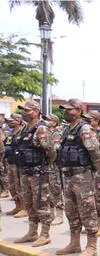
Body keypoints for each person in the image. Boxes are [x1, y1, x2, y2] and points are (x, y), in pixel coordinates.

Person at [54, 99, 100, 256]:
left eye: (70, 109)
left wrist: (94, 170)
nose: (66, 112)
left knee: (88, 210)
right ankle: (74, 243)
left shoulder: (85, 129)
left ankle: (91, 246)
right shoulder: (66, 130)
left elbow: (95, 152)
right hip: (68, 176)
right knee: (71, 211)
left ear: (78, 110)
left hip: (83, 176)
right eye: (65, 109)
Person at [14, 101, 57, 247]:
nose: (25, 113)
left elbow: (50, 151)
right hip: (25, 171)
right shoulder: (25, 128)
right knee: (29, 202)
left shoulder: (41, 128)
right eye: (24, 110)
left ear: (37, 111)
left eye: (28, 110)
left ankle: (45, 234)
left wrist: (45, 165)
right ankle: (32, 232)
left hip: (38, 172)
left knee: (41, 203)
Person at [44, 114, 64, 226]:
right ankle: (50, 213)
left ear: (55, 122)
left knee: (55, 188)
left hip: (54, 164)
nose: (47, 121)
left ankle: (59, 214)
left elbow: (55, 148)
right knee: (47, 189)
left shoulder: (57, 133)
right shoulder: (44, 131)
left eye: (49, 120)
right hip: (45, 164)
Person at [4, 114, 26, 217]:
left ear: (18, 121)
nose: (10, 122)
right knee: (12, 186)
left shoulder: (22, 133)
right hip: (10, 163)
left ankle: (24, 208)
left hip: (19, 164)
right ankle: (18, 206)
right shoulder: (10, 134)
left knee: (20, 186)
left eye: (12, 120)